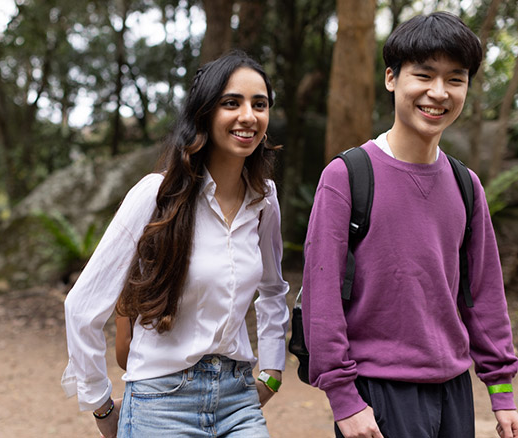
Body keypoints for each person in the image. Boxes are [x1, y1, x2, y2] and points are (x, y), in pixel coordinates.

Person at [301, 11, 518, 438]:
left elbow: (485, 295)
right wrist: (346, 401)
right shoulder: (347, 175)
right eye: (424, 75)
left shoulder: (465, 184)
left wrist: (504, 390)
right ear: (391, 78)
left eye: (455, 79)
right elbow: (321, 300)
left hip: (453, 392)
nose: (439, 92)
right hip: (378, 394)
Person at [62, 50, 290, 438]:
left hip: (238, 399)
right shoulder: (157, 194)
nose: (248, 116)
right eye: (231, 103)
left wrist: (271, 372)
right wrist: (101, 405)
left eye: (260, 104)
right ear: (204, 112)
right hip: (162, 401)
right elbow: (82, 306)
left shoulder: (264, 199)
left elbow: (272, 290)